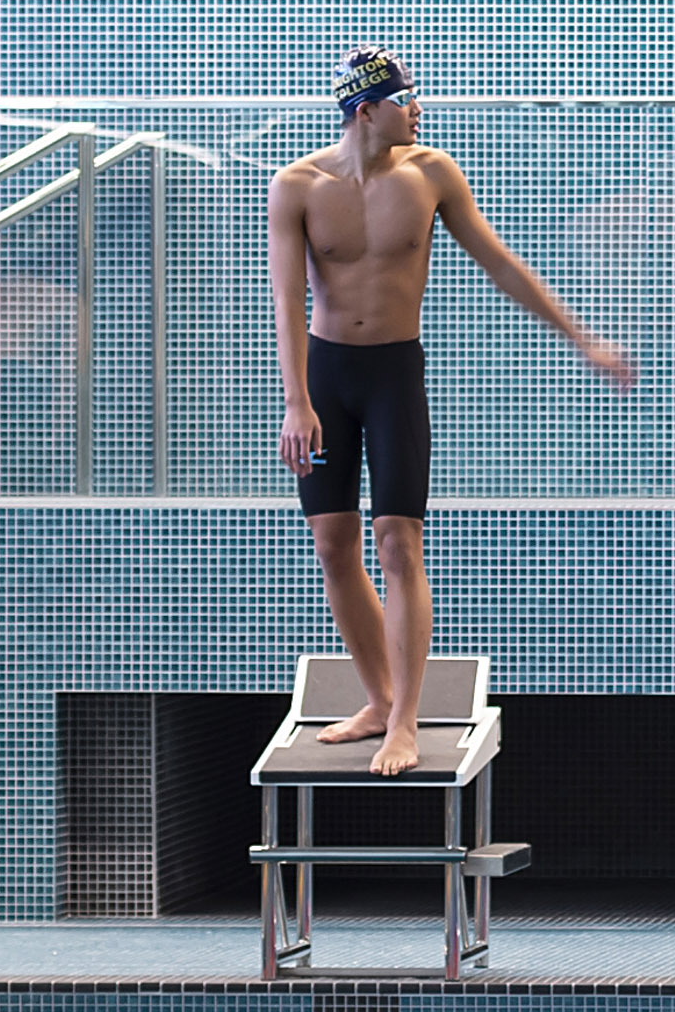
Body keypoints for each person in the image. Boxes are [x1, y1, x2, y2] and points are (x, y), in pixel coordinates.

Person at [270, 52, 636, 780]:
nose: (418, 107)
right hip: (326, 374)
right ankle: (376, 699)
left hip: (392, 376)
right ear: (364, 109)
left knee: (398, 541)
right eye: (406, 98)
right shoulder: (296, 186)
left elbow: (501, 264)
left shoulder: (432, 174)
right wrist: (295, 401)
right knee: (332, 545)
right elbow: (285, 300)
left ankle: (403, 720)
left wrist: (582, 337)